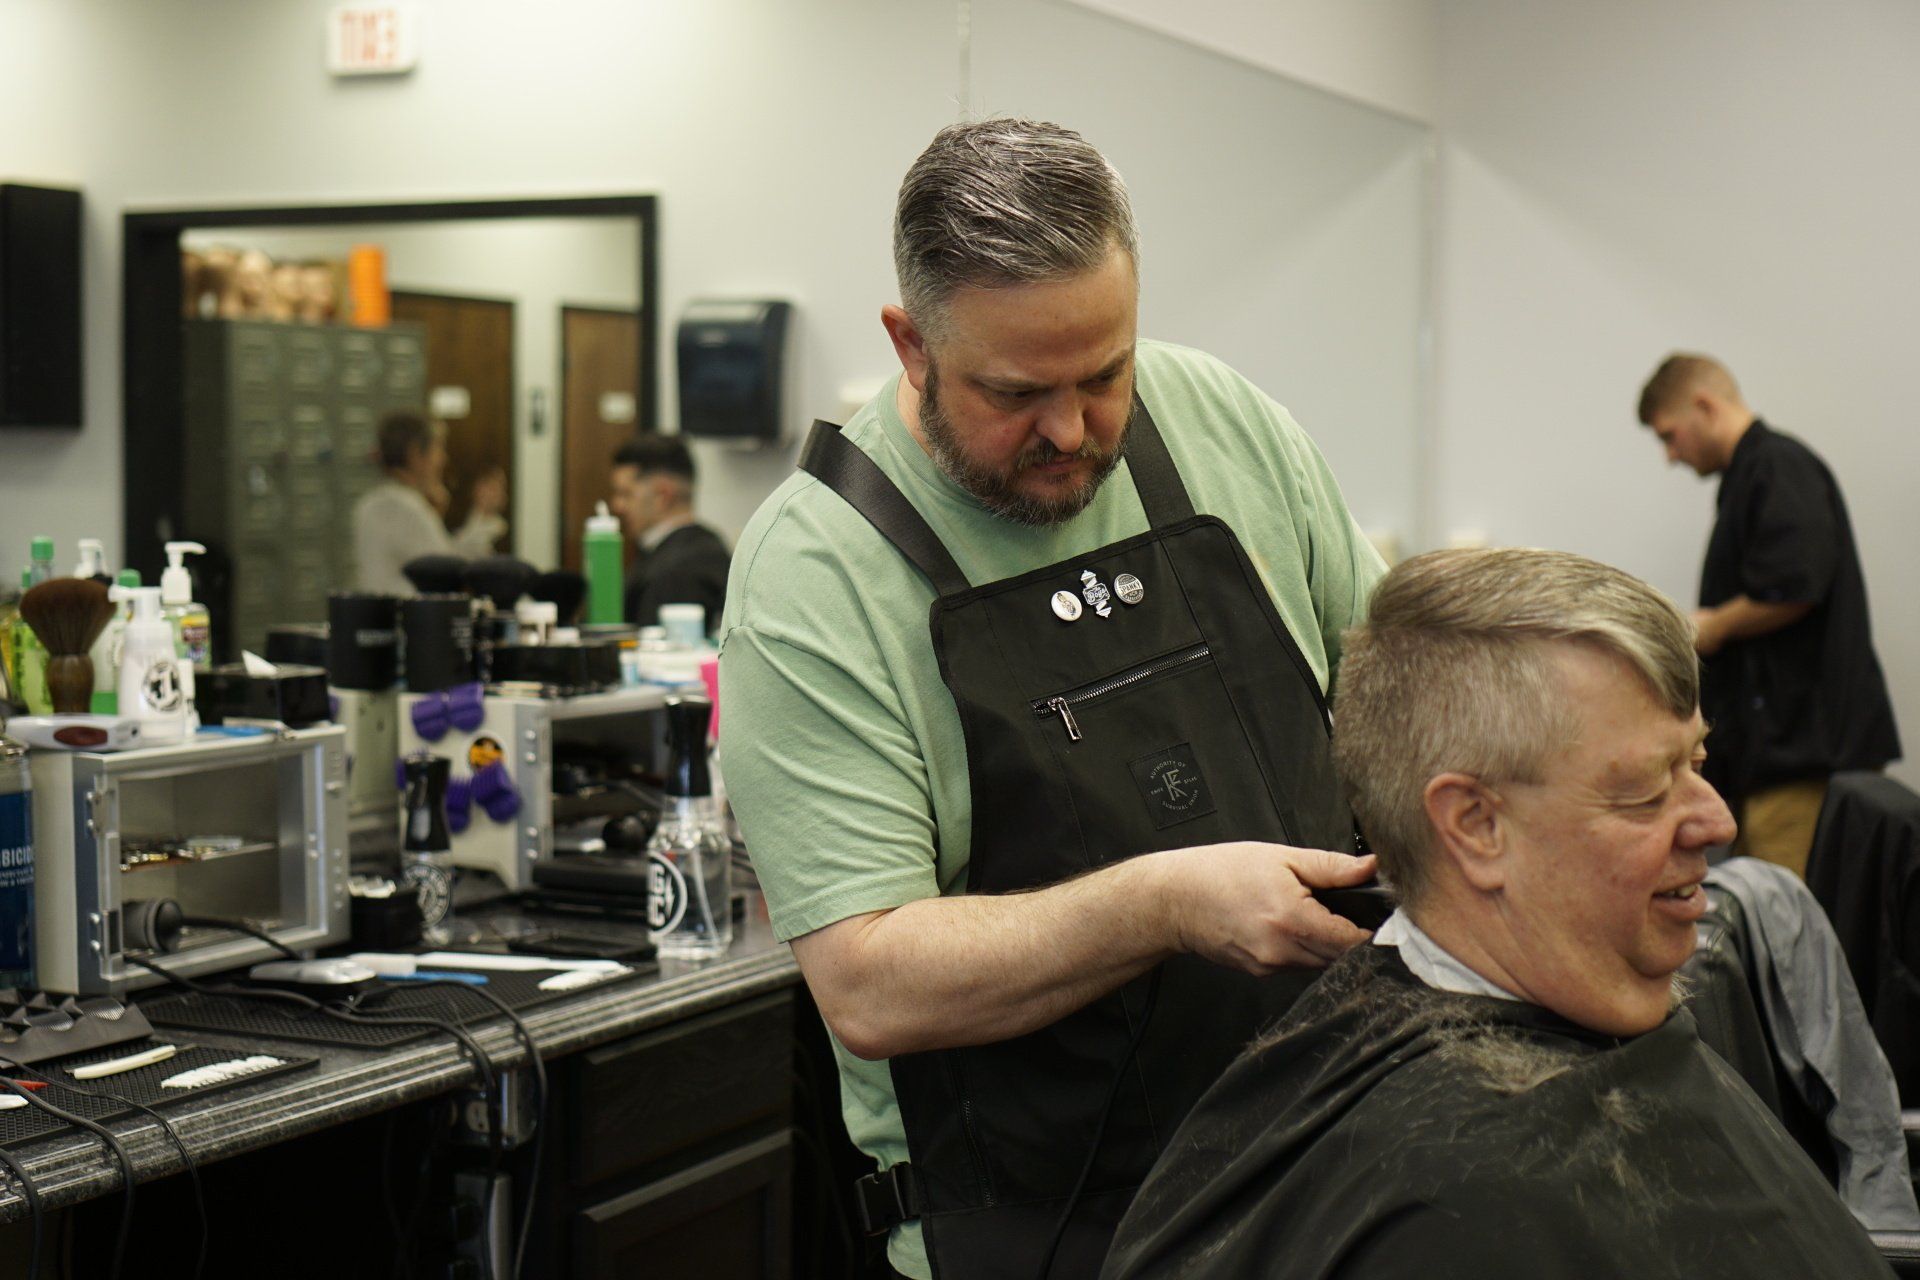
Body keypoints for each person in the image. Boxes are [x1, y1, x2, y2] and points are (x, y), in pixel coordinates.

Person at [719, 118, 1384, 1279]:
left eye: (1106, 375)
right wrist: (1165, 903)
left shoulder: (1221, 419)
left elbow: (1396, 693)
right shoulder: (813, 574)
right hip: (1039, 1232)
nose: (1074, 432)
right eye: (1017, 392)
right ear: (911, 345)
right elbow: (869, 980)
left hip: (1320, 1180)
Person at [1103, 548, 1898, 1280]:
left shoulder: (1590, 1026)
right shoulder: (1447, 1211)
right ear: (1477, 828)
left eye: (1696, 762)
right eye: (1644, 791)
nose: (1717, 823)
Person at [1637, 354, 1900, 876]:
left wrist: (1712, 626)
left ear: (1705, 406)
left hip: (1803, 762)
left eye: (1670, 435)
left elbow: (1795, 584)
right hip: (1783, 755)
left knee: (1790, 923)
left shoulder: (1778, 466)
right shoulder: (1752, 476)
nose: (1670, 456)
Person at [352, 412, 508, 596]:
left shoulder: (375, 503)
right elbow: (449, 573)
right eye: (438, 449)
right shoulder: (402, 506)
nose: (444, 459)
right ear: (416, 454)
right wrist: (484, 515)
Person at [606, 432, 730, 630]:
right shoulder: (711, 546)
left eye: (626, 494)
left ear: (662, 494)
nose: (617, 506)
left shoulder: (675, 572)